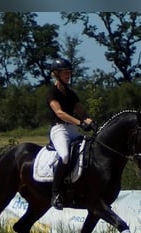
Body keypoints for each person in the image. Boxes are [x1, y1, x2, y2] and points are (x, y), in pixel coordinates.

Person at [46, 57, 94, 210]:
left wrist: (91, 122)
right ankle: (55, 193)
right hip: (59, 129)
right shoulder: (51, 92)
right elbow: (59, 113)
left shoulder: (71, 94)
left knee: (87, 151)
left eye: (69, 72)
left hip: (72, 129)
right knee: (65, 156)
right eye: (65, 73)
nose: (68, 75)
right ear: (56, 74)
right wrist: (80, 123)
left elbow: (82, 112)